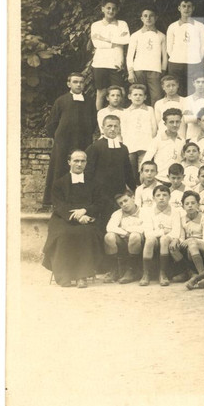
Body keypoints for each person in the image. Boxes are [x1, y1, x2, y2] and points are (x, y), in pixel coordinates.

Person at [42, 150, 103, 287]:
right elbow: (59, 205)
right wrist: (76, 217)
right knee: (64, 234)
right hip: (63, 219)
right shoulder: (59, 183)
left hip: (87, 218)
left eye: (82, 161)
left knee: (86, 233)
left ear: (86, 163)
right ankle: (64, 276)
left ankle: (82, 276)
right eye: (76, 160)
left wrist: (85, 211)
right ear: (69, 162)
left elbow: (99, 203)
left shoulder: (94, 183)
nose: (79, 164)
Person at [44, 73, 98, 206]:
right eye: (75, 82)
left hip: (83, 142)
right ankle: (55, 201)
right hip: (63, 143)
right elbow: (52, 123)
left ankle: (80, 200)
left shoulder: (89, 101)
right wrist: (58, 139)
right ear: (69, 84)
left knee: (81, 169)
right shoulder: (61, 101)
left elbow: (93, 122)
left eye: (81, 82)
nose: (78, 85)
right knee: (60, 169)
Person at [84, 114, 135, 230]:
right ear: (103, 128)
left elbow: (128, 172)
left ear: (119, 128)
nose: (112, 129)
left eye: (116, 126)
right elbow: (88, 173)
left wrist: (134, 188)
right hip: (100, 194)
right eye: (109, 126)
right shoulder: (95, 147)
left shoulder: (123, 148)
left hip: (118, 193)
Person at [90, 0, 131, 112]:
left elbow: (126, 40)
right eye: (108, 8)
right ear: (102, 9)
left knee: (120, 91)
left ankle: (120, 118)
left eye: (113, 9)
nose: (111, 11)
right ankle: (99, 121)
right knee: (101, 92)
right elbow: (96, 43)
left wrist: (105, 39)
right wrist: (116, 42)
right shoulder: (96, 25)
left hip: (116, 63)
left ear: (117, 10)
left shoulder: (122, 24)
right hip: (100, 63)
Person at [165, 0, 204, 94]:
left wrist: (197, 58)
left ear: (193, 8)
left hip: (194, 63)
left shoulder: (200, 26)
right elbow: (169, 47)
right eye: (184, 6)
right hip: (176, 63)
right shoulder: (172, 26)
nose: (186, 9)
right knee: (176, 90)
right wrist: (176, 57)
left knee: (193, 90)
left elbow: (203, 46)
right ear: (179, 8)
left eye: (189, 6)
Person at [127, 8, 168, 106]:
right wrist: (130, 72)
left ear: (156, 18)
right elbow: (129, 55)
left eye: (151, 15)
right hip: (138, 70)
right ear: (142, 18)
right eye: (145, 16)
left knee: (157, 98)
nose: (148, 18)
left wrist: (163, 71)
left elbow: (165, 56)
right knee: (138, 97)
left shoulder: (161, 36)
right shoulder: (135, 35)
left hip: (155, 71)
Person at [103, 190, 144, 284]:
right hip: (124, 241)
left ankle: (132, 270)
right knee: (109, 237)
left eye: (126, 200)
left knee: (134, 236)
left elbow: (146, 227)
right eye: (120, 203)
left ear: (133, 198)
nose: (124, 204)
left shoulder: (144, 211)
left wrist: (130, 229)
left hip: (139, 241)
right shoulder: (118, 213)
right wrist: (125, 233)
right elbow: (109, 227)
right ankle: (115, 270)